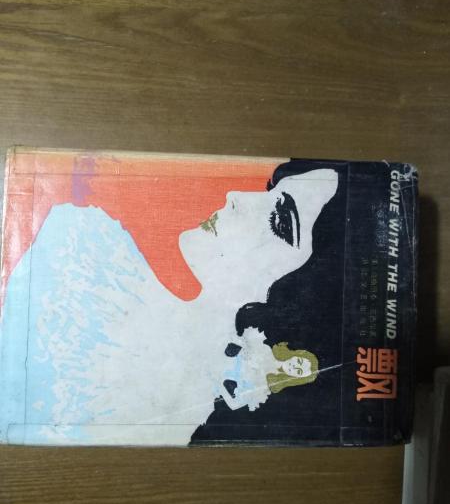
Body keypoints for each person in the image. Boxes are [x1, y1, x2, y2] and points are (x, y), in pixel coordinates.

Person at [1, 166, 338, 445]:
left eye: (280, 221)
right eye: (268, 191)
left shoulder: (160, 417)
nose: (235, 196)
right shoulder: (88, 242)